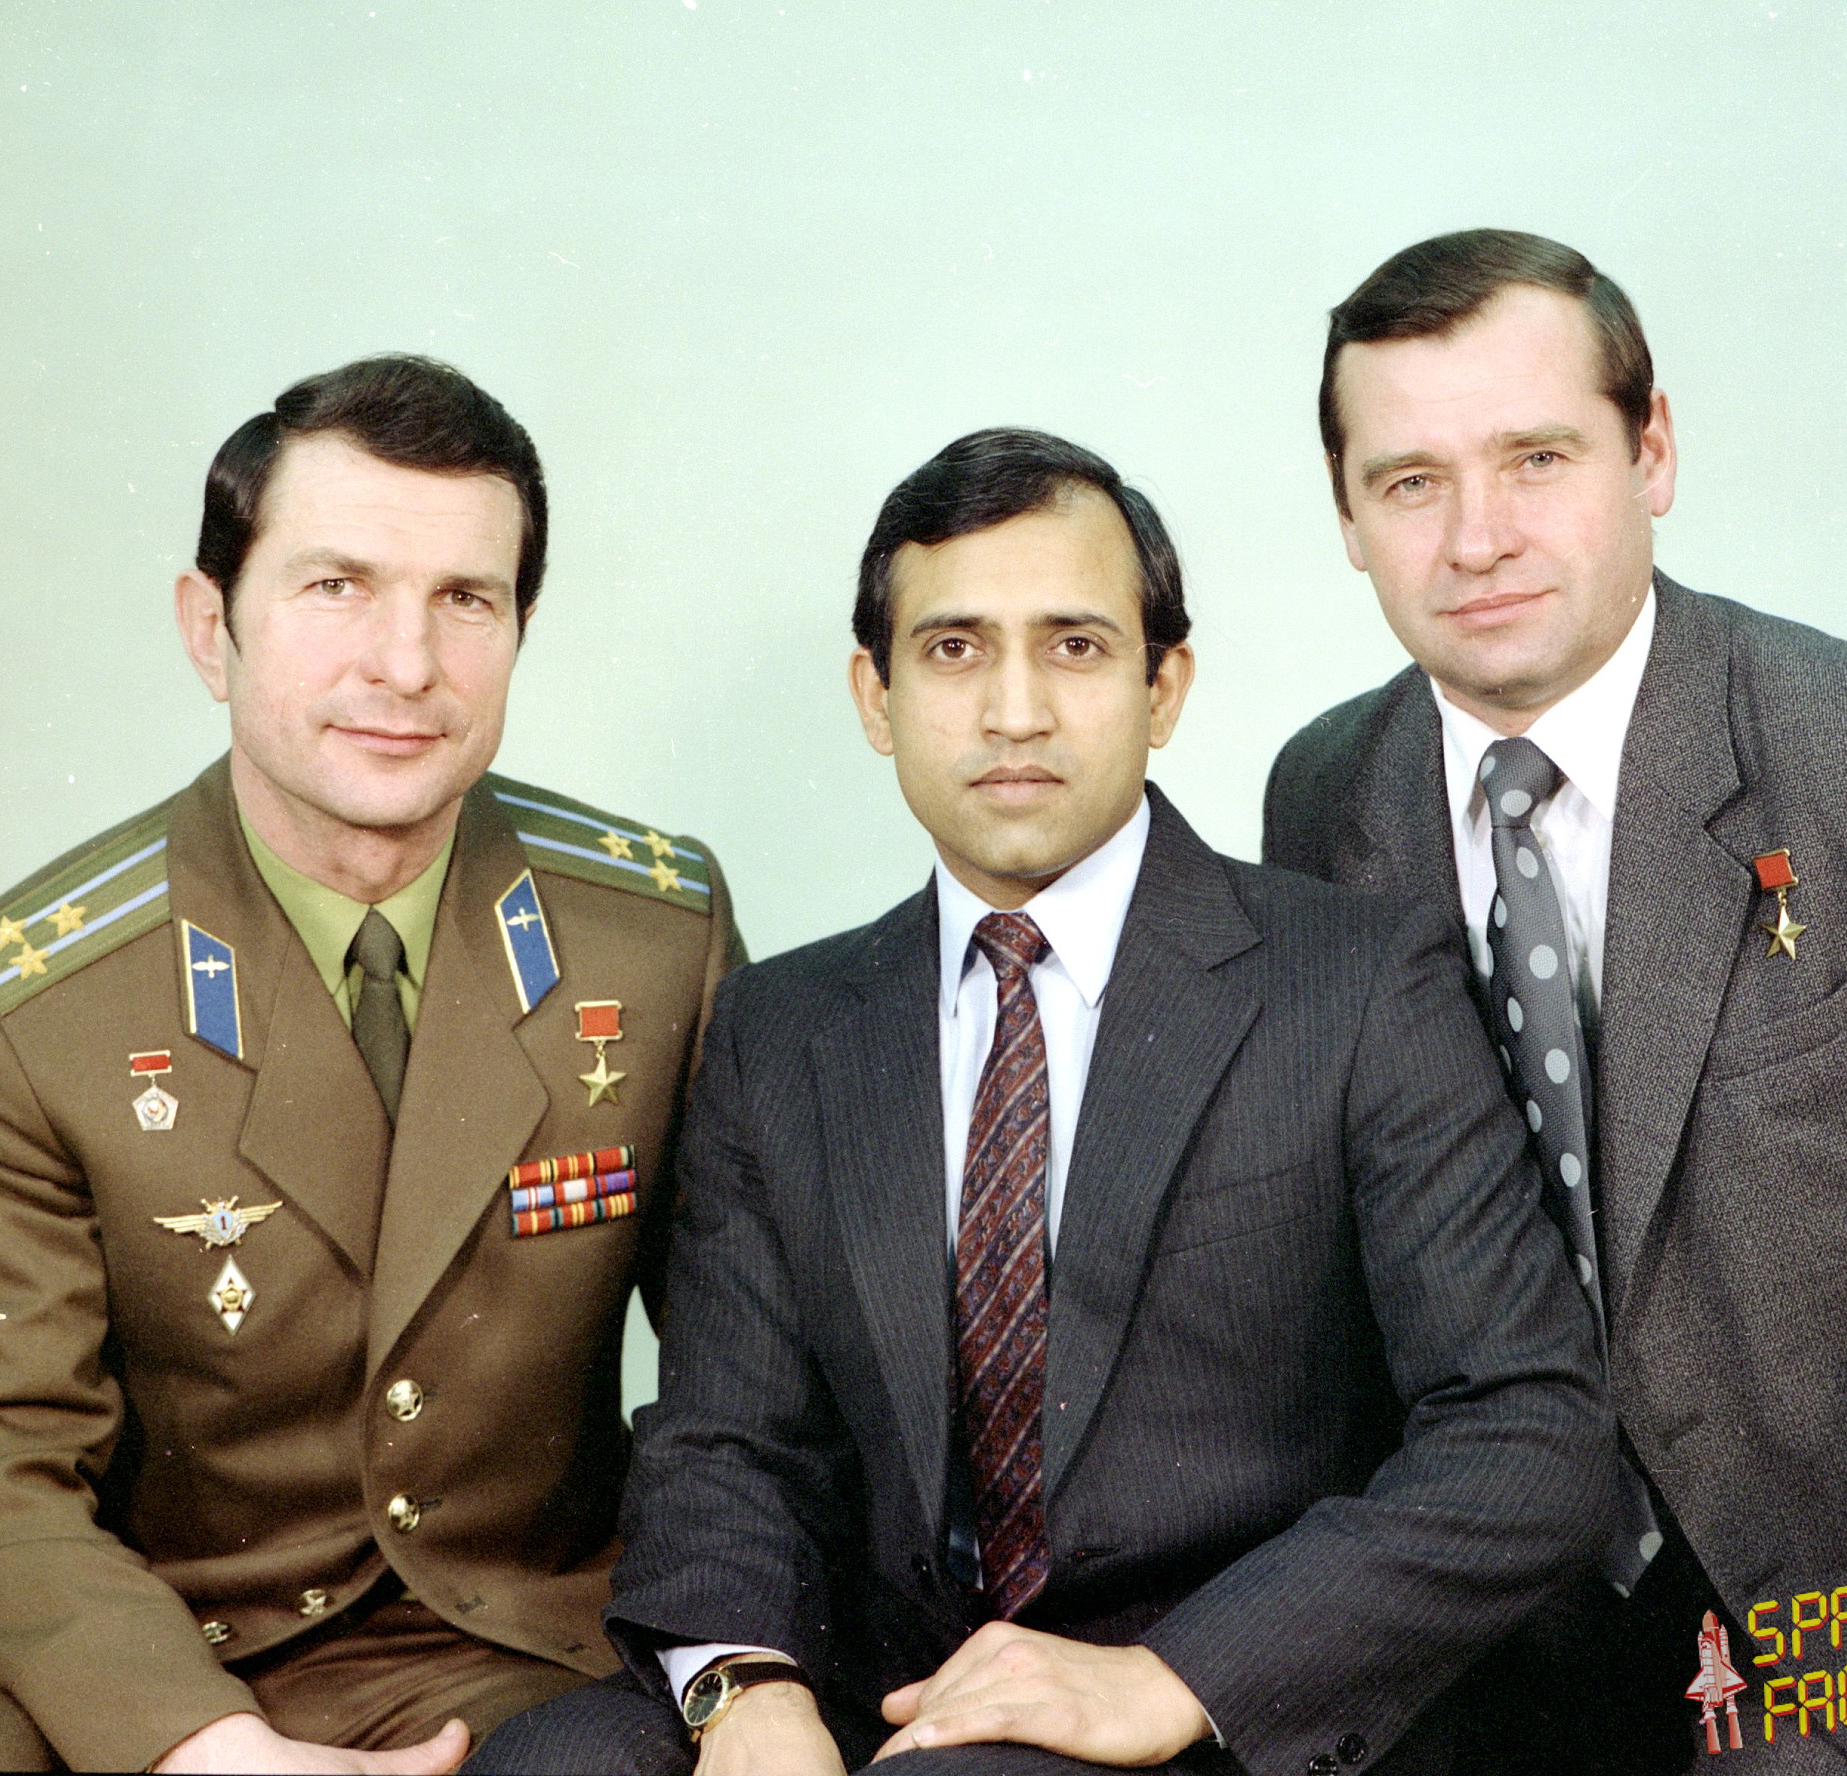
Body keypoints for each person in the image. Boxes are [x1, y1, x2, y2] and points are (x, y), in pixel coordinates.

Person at [473, 426, 1618, 1775]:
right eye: (954, 649)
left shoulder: (1355, 984)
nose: (1014, 712)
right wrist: (748, 1687)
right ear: (876, 696)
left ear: (1163, 685)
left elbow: (1524, 1429)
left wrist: (1174, 1680)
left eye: (1074, 645)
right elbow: (728, 1441)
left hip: (1211, 1705)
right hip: (888, 1686)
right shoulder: (786, 1029)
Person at [1264, 229, 1847, 1773]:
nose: (1477, 539)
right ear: (1346, 516)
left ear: (1652, 452)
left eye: (1537, 459)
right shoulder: (1324, 794)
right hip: (1489, 1641)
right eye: (1411, 482)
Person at [0, 355, 744, 1773]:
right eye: (337, 586)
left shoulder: (650, 936)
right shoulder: (38, 1004)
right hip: (158, 1647)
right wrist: (209, 1749)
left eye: (468, 600)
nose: (406, 665)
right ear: (211, 628)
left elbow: (750, 1390)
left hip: (519, 1646)